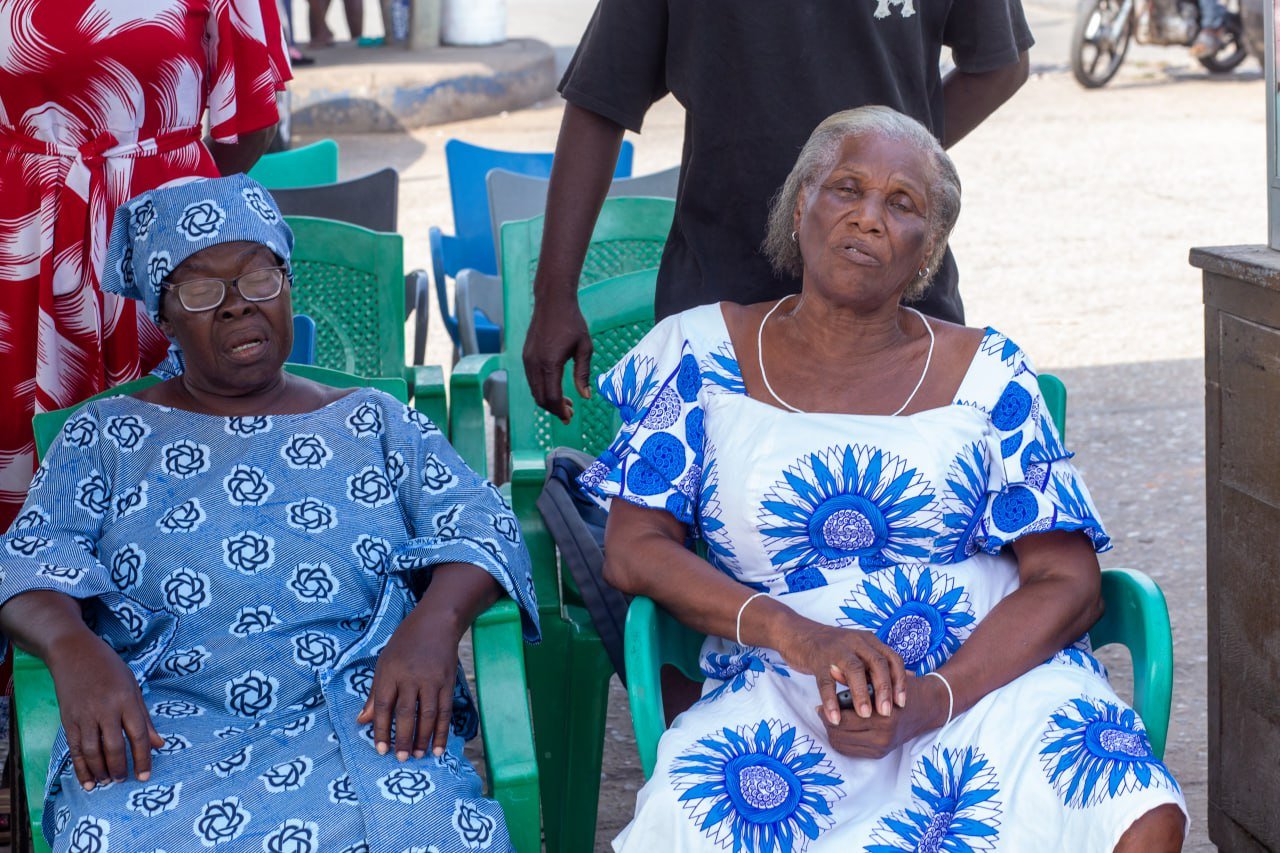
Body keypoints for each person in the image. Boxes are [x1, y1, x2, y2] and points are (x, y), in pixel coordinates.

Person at [582, 107, 1187, 851]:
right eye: (846, 188)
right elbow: (633, 546)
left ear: (926, 250)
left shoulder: (988, 373)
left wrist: (936, 697)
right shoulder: (699, 353)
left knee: (1131, 804)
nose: (868, 218)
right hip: (784, 682)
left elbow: (1068, 581)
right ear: (800, 203)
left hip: (988, 682)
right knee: (691, 813)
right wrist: (793, 633)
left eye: (902, 205)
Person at [0, 176, 540, 852]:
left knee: (434, 829)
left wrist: (436, 623)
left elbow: (481, 519)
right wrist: (72, 647)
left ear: (287, 284)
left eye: (258, 277)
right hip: (164, 728)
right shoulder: (106, 437)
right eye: (200, 291)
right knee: (108, 834)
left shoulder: (372, 420)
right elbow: (26, 555)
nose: (235, 308)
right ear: (163, 318)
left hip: (361, 715)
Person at [523, 0, 1035, 424]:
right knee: (704, 529)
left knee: (906, 517)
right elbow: (600, 99)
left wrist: (887, 164)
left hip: (891, 313)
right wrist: (553, 294)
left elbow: (999, 63)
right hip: (723, 302)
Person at [0, 0, 291, 532]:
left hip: (168, 231)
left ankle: (182, 585)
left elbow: (249, 122)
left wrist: (161, 203)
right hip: (23, 234)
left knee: (181, 435)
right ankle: (33, 591)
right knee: (16, 424)